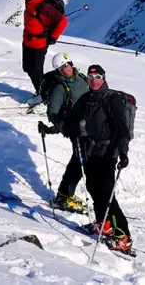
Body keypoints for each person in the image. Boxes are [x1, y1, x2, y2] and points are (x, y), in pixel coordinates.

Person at [64, 64, 133, 253]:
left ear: (103, 78)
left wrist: (123, 153)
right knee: (93, 188)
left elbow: (122, 130)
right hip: (90, 151)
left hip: (108, 153)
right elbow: (71, 121)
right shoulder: (86, 99)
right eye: (91, 77)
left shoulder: (112, 100)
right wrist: (54, 129)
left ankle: (122, 236)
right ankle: (104, 224)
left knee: (106, 193)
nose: (94, 80)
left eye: (98, 77)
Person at [38, 52, 90, 214]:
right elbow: (52, 113)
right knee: (80, 162)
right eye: (61, 68)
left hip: (91, 126)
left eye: (66, 65)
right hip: (76, 130)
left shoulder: (81, 77)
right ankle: (64, 196)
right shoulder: (60, 89)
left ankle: (64, 195)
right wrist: (65, 127)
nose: (65, 69)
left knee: (80, 161)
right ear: (58, 71)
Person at [22, 0, 67, 96]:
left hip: (39, 44)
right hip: (27, 42)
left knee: (36, 72)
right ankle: (40, 91)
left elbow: (63, 21)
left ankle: (43, 94)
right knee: (27, 68)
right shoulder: (29, 2)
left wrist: (53, 37)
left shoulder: (44, 6)